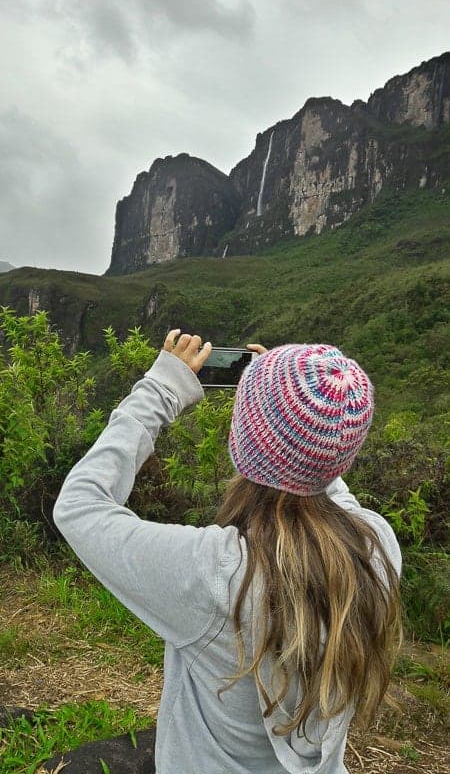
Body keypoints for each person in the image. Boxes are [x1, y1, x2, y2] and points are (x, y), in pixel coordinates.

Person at [53, 330, 402, 774]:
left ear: (245, 438)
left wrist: (162, 388)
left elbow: (79, 505)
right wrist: (297, 414)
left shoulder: (216, 573)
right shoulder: (376, 549)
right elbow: (326, 480)